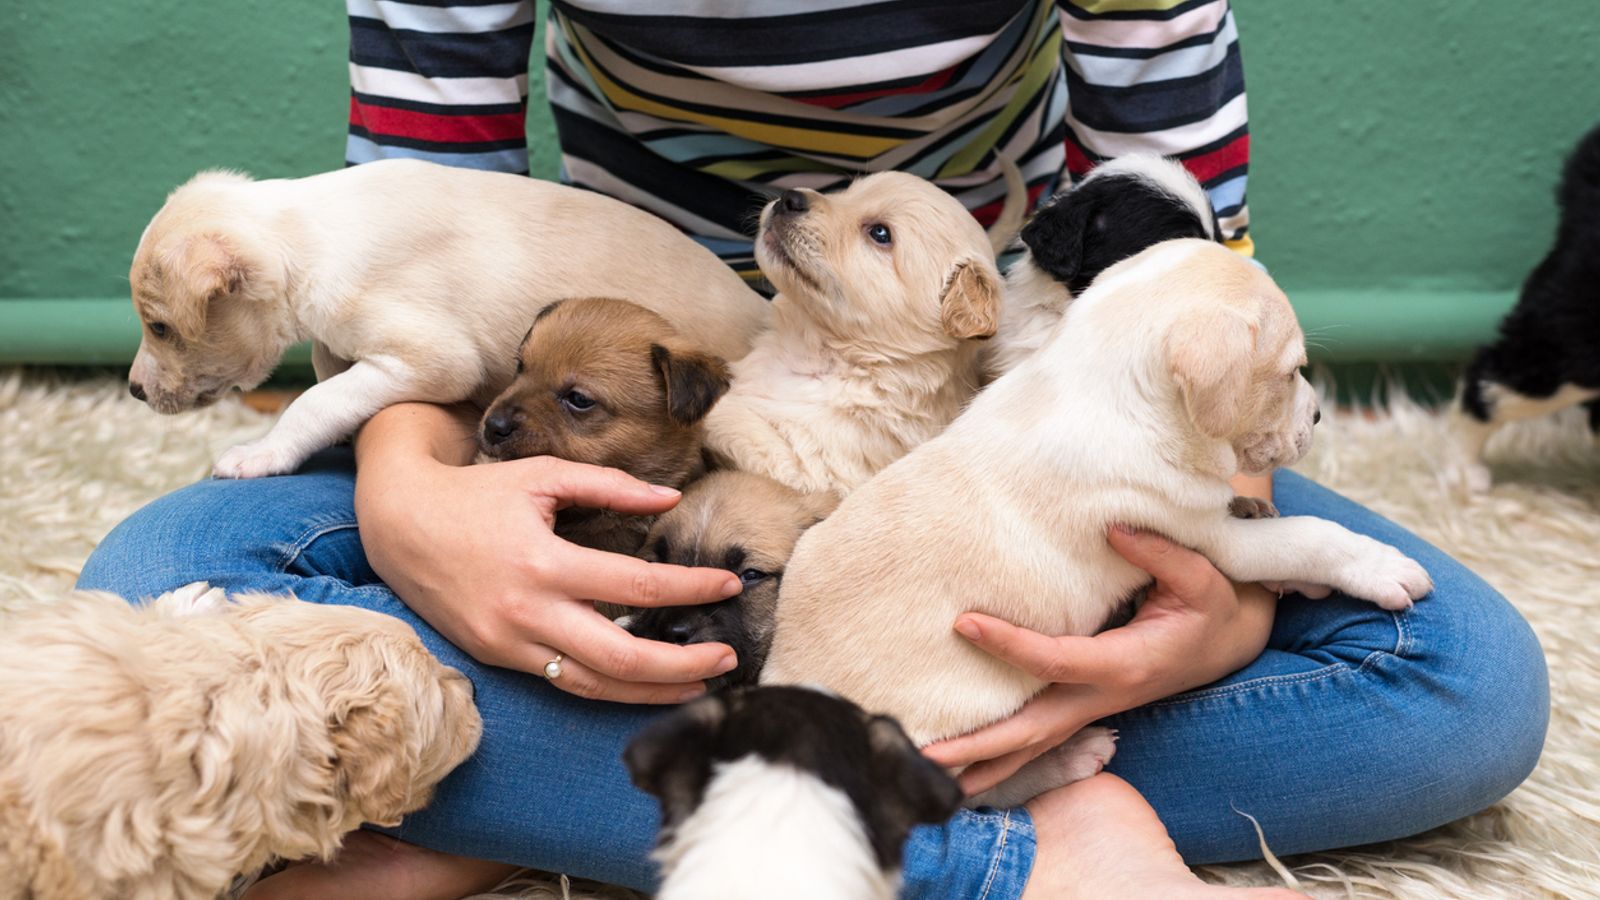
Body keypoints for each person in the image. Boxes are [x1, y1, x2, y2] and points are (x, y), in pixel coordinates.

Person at [78, 2, 1548, 898]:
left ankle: (586, 802)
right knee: (159, 574)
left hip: (1021, 401)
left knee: (1465, 686)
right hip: (599, 381)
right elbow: (422, 220)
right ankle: (1001, 835)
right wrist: (412, 508)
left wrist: (1211, 588)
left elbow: (1194, 278)